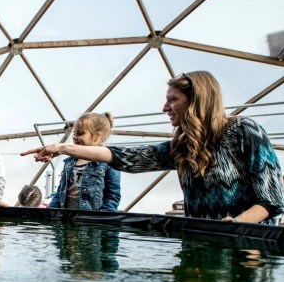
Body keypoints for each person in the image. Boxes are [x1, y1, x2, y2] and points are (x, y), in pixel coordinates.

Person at [21, 70, 284, 224]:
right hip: (205, 246)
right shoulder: (182, 146)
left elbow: (272, 200)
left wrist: (235, 225)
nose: (165, 107)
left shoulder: (244, 131)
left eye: (173, 99)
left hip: (250, 248)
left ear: (197, 101)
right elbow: (125, 157)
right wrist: (63, 148)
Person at [48, 112, 121, 211]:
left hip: (91, 222)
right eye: (74, 133)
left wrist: (103, 218)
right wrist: (51, 212)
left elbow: (113, 195)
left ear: (96, 137)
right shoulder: (69, 162)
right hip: (67, 219)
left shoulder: (107, 163)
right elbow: (60, 192)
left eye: (80, 133)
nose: (74, 137)